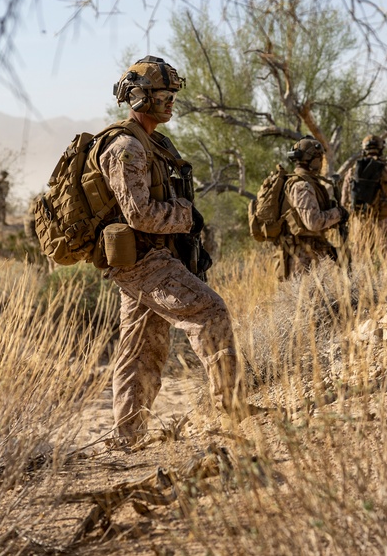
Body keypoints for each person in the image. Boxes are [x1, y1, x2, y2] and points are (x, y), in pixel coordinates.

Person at [100, 55, 246, 446]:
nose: (170, 101)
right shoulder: (127, 147)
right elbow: (139, 213)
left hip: (153, 257)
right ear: (139, 97)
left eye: (171, 93)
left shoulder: (154, 142)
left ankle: (127, 437)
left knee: (142, 347)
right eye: (162, 94)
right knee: (209, 311)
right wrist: (186, 216)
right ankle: (232, 408)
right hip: (144, 259)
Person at [275, 136, 347, 280]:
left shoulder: (306, 182)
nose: (321, 163)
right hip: (302, 257)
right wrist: (339, 213)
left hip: (310, 253)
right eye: (319, 158)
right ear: (311, 159)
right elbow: (313, 222)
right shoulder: (302, 186)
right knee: (306, 301)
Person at [340, 135, 387, 243]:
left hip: (360, 221)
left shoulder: (353, 171)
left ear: (364, 149)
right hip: (383, 220)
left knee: (361, 256)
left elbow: (344, 199)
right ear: (381, 149)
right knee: (386, 256)